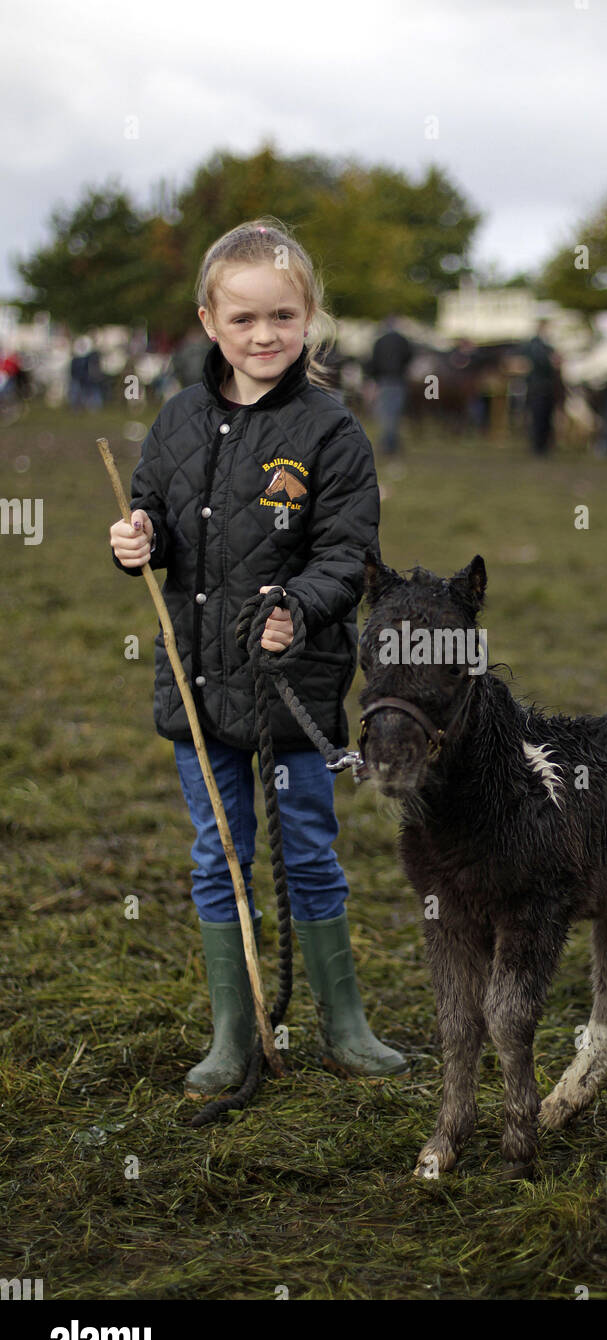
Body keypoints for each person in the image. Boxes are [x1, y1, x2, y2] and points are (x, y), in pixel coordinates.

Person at [109, 218, 406, 1099]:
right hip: (197, 693)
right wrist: (137, 539)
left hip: (294, 694)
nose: (265, 335)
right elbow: (152, 516)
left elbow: (347, 557)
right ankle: (231, 1036)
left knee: (309, 852)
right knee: (220, 857)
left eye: (283, 315)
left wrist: (297, 609)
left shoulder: (331, 433)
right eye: (244, 320)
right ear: (209, 322)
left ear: (310, 315)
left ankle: (344, 1026)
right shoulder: (177, 421)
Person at [370, 315, 413, 455]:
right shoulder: (403, 340)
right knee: (394, 413)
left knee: (385, 413)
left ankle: (388, 444)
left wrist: (373, 380)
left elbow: (373, 361)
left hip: (384, 380)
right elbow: (409, 357)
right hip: (399, 380)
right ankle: (391, 443)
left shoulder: (380, 341)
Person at [524, 319, 559, 455]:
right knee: (538, 417)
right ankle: (538, 447)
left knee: (546, 417)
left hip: (547, 387)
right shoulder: (535, 345)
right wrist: (551, 362)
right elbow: (539, 362)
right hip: (537, 387)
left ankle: (544, 445)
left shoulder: (548, 345)